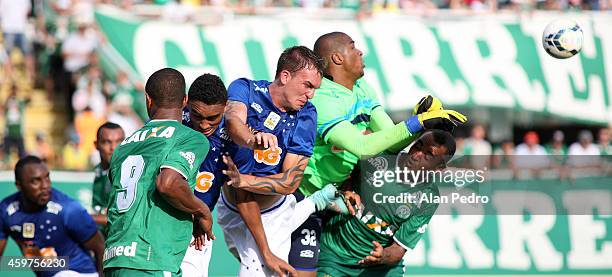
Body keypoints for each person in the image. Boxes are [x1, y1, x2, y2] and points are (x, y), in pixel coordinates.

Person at [290, 32, 467, 275]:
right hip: (303, 194)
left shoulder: (362, 87)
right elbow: (363, 147)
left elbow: (388, 138)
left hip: (333, 197)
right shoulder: (322, 99)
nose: (360, 52)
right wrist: (418, 124)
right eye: (353, 48)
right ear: (337, 58)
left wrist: (419, 121)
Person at [218, 46, 345, 276]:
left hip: (271, 217)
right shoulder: (245, 88)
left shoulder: (306, 116)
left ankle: (314, 202)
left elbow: (290, 183)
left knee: (262, 266)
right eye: (307, 86)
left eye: (315, 89)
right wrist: (252, 140)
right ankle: (316, 201)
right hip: (230, 208)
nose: (311, 95)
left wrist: (244, 181)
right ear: (285, 76)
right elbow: (233, 121)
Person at [103, 68, 214, 276]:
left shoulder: (123, 146)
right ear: (185, 101)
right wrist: (202, 211)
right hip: (151, 260)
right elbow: (168, 183)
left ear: (148, 100)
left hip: (114, 260)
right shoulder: (190, 137)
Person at [318, 130, 456, 276]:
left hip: (379, 268)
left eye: (428, 154)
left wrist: (382, 256)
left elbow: (398, 249)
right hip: (335, 256)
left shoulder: (429, 197)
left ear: (439, 168)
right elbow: (338, 176)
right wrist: (344, 191)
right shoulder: (380, 156)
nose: (416, 154)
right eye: (417, 146)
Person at [0, 156, 105, 277]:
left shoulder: (68, 209)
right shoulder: (6, 211)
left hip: (80, 272)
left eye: (47, 177)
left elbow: (100, 246)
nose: (45, 186)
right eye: (36, 181)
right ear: (19, 185)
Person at [179, 73, 233, 277]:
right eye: (197, 115)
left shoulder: (234, 135)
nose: (203, 125)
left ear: (226, 107)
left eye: (212, 118)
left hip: (199, 231)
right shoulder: (172, 121)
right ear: (186, 103)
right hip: (166, 221)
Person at [91, 122, 125, 227]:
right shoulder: (98, 170)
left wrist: (83, 217)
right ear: (96, 145)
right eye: (107, 142)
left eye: (119, 142)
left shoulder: (127, 173)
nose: (113, 148)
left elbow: (121, 219)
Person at [2, 85, 30, 163]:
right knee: (6, 152)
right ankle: (6, 164)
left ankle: (22, 166)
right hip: (8, 132)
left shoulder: (20, 102)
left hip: (18, 132)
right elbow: (2, 107)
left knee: (21, 153)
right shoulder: (8, 102)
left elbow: (29, 99)